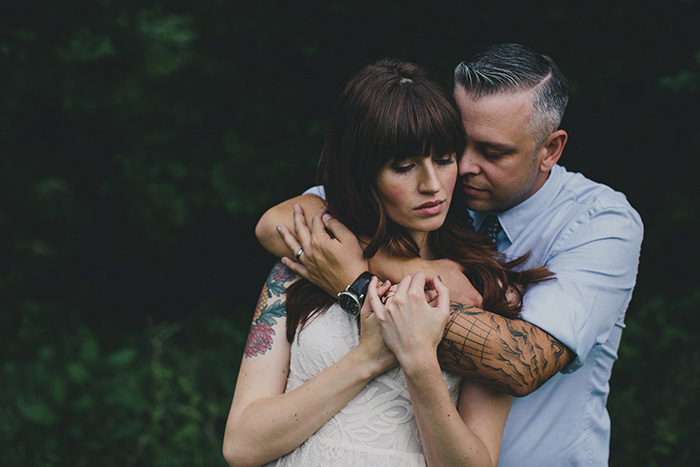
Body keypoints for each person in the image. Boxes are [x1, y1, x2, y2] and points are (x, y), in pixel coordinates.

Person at [257, 44, 644, 465]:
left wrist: (358, 284)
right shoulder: (435, 190)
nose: (462, 167)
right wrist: (411, 268)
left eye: (492, 152)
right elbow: (281, 221)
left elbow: (520, 364)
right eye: (455, 146)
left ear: (550, 150)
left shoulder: (600, 224)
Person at [223, 58, 551, 466]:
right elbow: (241, 446)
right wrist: (368, 358)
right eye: (404, 167)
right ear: (362, 173)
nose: (432, 185)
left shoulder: (485, 286)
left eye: (445, 159)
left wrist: (418, 361)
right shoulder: (307, 262)